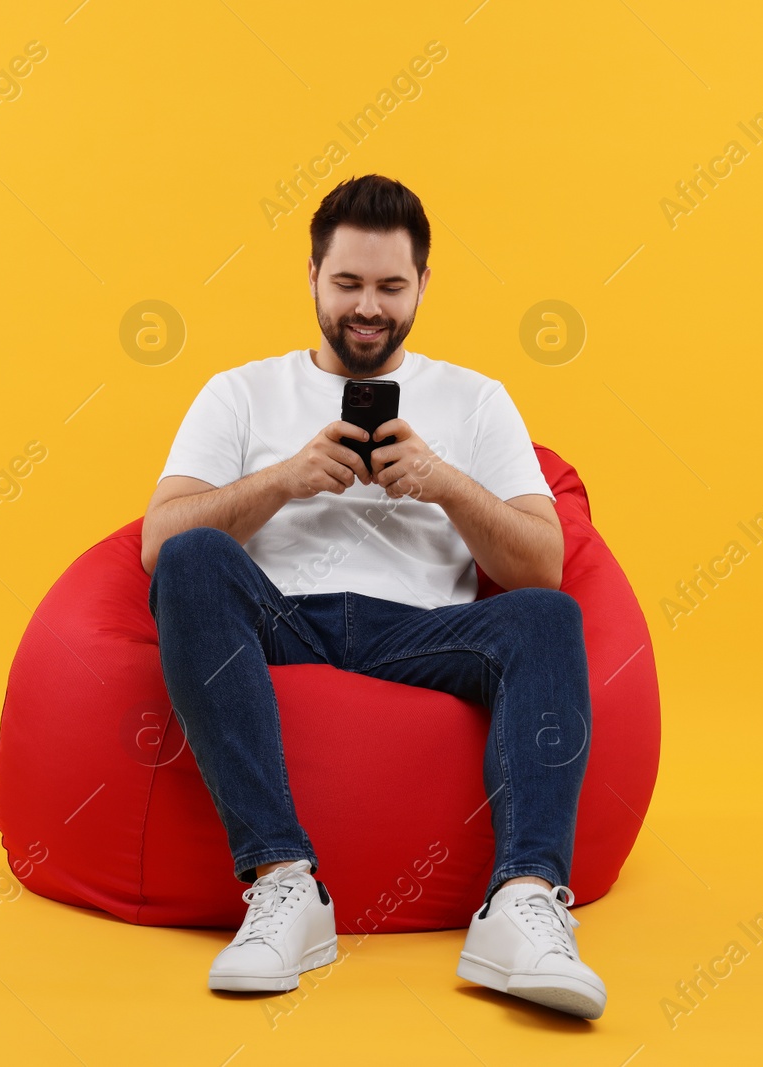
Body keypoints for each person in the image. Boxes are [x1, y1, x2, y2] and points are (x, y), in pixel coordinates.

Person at [141, 174, 604, 1019]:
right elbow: (158, 544)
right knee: (194, 557)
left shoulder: (476, 397)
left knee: (550, 617)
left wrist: (444, 483)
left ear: (423, 285)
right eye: (347, 283)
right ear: (312, 277)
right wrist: (285, 478)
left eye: (391, 287)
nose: (368, 307)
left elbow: (544, 562)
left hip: (422, 634)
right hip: (278, 619)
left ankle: (524, 901)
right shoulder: (240, 391)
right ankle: (285, 882)